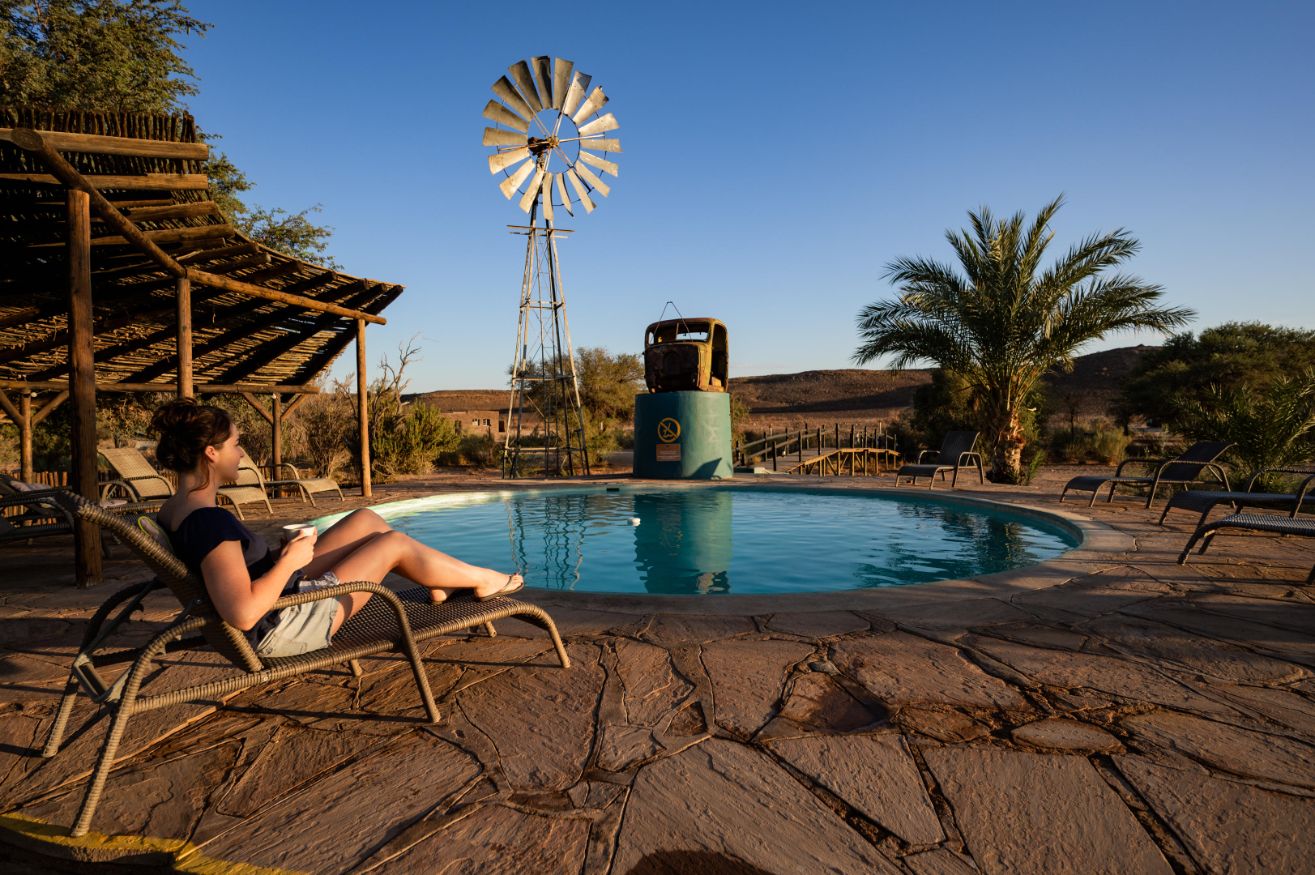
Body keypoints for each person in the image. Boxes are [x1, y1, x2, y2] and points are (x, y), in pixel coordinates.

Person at [150, 399, 523, 657]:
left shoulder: (176, 509)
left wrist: (280, 556)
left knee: (366, 519)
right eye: (236, 444)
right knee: (392, 543)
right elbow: (244, 614)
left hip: (280, 597)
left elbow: (228, 571)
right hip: (286, 625)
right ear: (211, 453)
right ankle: (483, 578)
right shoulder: (208, 521)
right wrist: (287, 562)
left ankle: (438, 582)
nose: (242, 453)